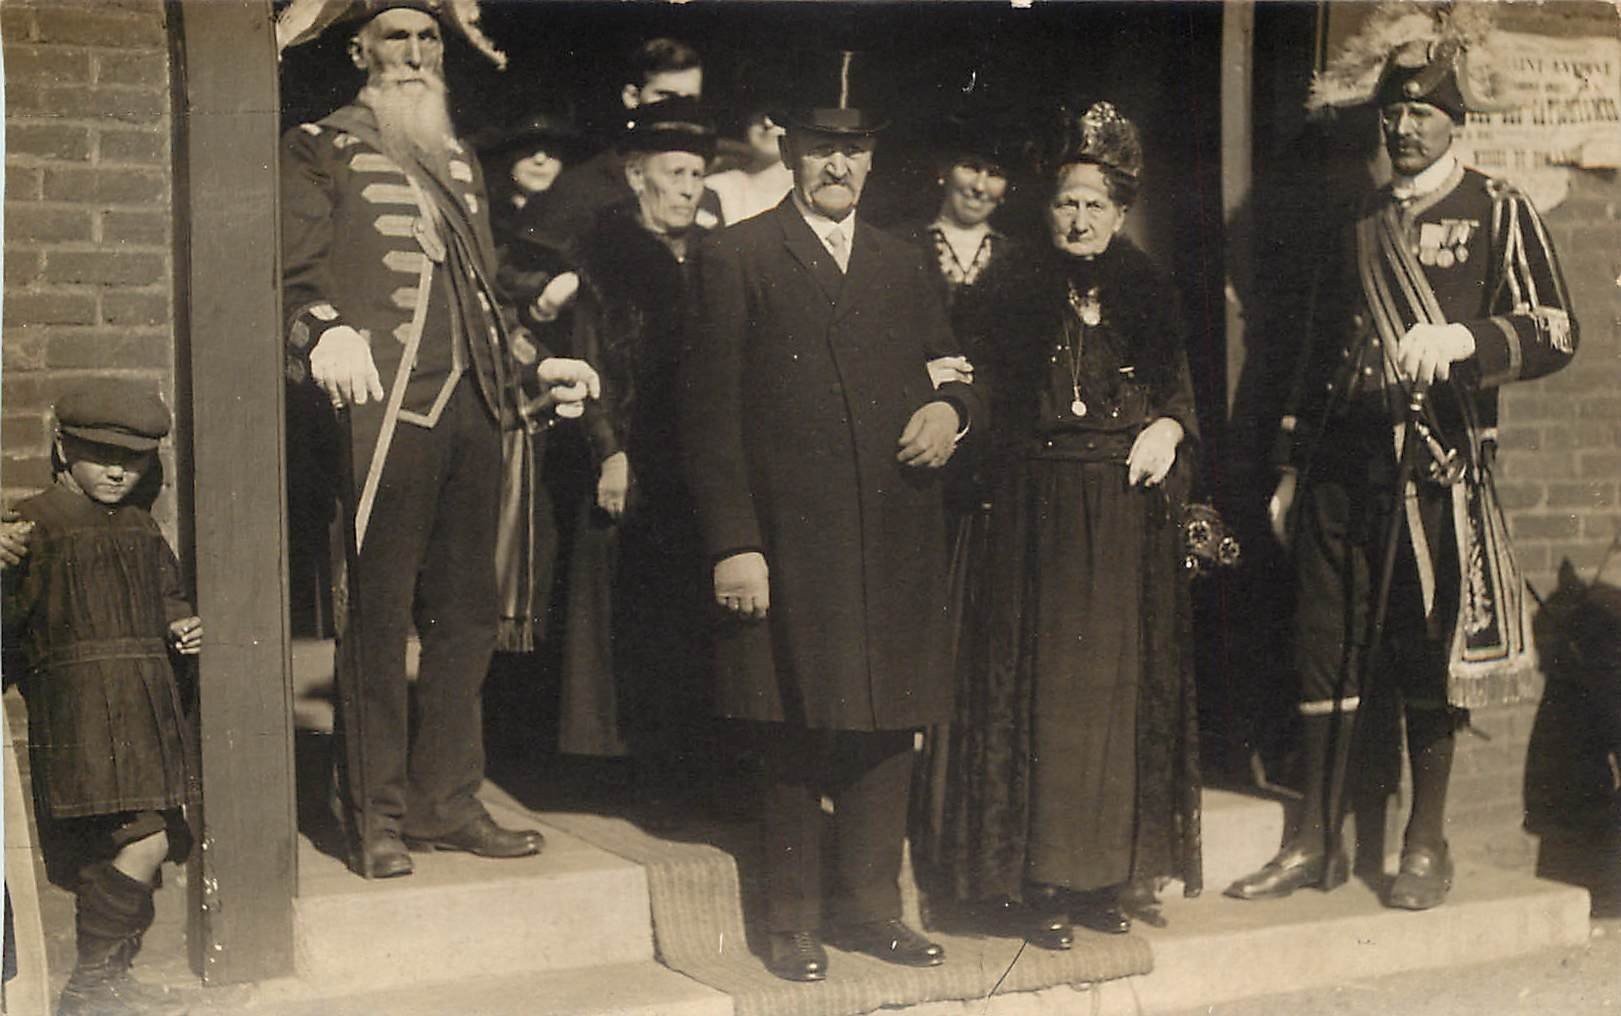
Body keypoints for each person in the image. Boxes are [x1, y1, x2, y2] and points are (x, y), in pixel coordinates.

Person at [1224, 13, 1577, 911]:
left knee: (1425, 655)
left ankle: (1424, 844)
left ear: (1454, 120)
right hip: (1340, 467)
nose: (1404, 127)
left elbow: (1555, 330)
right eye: (1391, 113)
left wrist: (1467, 337)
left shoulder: (1498, 210)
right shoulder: (1354, 222)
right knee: (1322, 651)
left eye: (1422, 114)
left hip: (1434, 470)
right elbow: (1312, 352)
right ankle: (1315, 844)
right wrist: (1290, 467)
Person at [276, 0, 600, 879]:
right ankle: (372, 815)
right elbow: (292, 271)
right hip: (383, 407)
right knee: (376, 619)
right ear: (359, 49)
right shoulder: (321, 143)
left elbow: (486, 293)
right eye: (396, 37)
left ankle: (445, 800)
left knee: (466, 618)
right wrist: (320, 328)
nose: (415, 54)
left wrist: (535, 367)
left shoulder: (459, 160)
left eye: (428, 39)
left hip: (476, 407)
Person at [678, 50, 978, 983]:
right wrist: (735, 544)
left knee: (886, 729)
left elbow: (947, 364)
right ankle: (793, 921)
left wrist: (951, 412)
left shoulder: (899, 258)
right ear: (789, 153)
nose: (836, 167)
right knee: (792, 732)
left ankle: (872, 911)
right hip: (789, 543)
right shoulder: (737, 255)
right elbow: (707, 414)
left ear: (872, 162)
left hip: (891, 536)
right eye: (818, 150)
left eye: (852, 152)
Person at [924, 102, 1202, 948]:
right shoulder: (1006, 290)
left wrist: (1168, 429)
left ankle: (1099, 880)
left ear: (1119, 215)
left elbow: (1181, 397)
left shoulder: (1149, 292)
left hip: (1124, 523)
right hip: (1030, 518)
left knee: (1110, 701)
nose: (1078, 219)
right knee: (1042, 697)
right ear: (1045, 212)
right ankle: (1034, 882)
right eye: (1065, 203)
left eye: (1094, 205)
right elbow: (977, 394)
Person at [3, 379, 199, 1016]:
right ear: (62, 450)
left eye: (134, 457)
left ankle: (104, 985)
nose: (118, 469)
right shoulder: (36, 526)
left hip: (143, 712)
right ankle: (90, 985)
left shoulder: (143, 529)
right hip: (82, 716)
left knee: (122, 848)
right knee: (144, 842)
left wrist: (181, 624)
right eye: (98, 453)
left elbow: (166, 595)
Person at [552, 99, 717, 767]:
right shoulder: (603, 255)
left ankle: (685, 756)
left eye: (696, 175)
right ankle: (615, 760)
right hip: (622, 455)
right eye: (673, 173)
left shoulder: (714, 255)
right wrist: (609, 451)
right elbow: (587, 360)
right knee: (619, 612)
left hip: (694, 462)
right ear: (637, 176)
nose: (685, 188)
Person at [511, 36, 721, 294]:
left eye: (689, 100)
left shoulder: (705, 199)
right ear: (632, 96)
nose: (678, 110)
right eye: (665, 97)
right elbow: (518, 279)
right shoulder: (578, 190)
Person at [704, 106, 792, 225]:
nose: (767, 123)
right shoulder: (718, 188)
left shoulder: (814, 195)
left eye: (778, 114)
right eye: (758, 114)